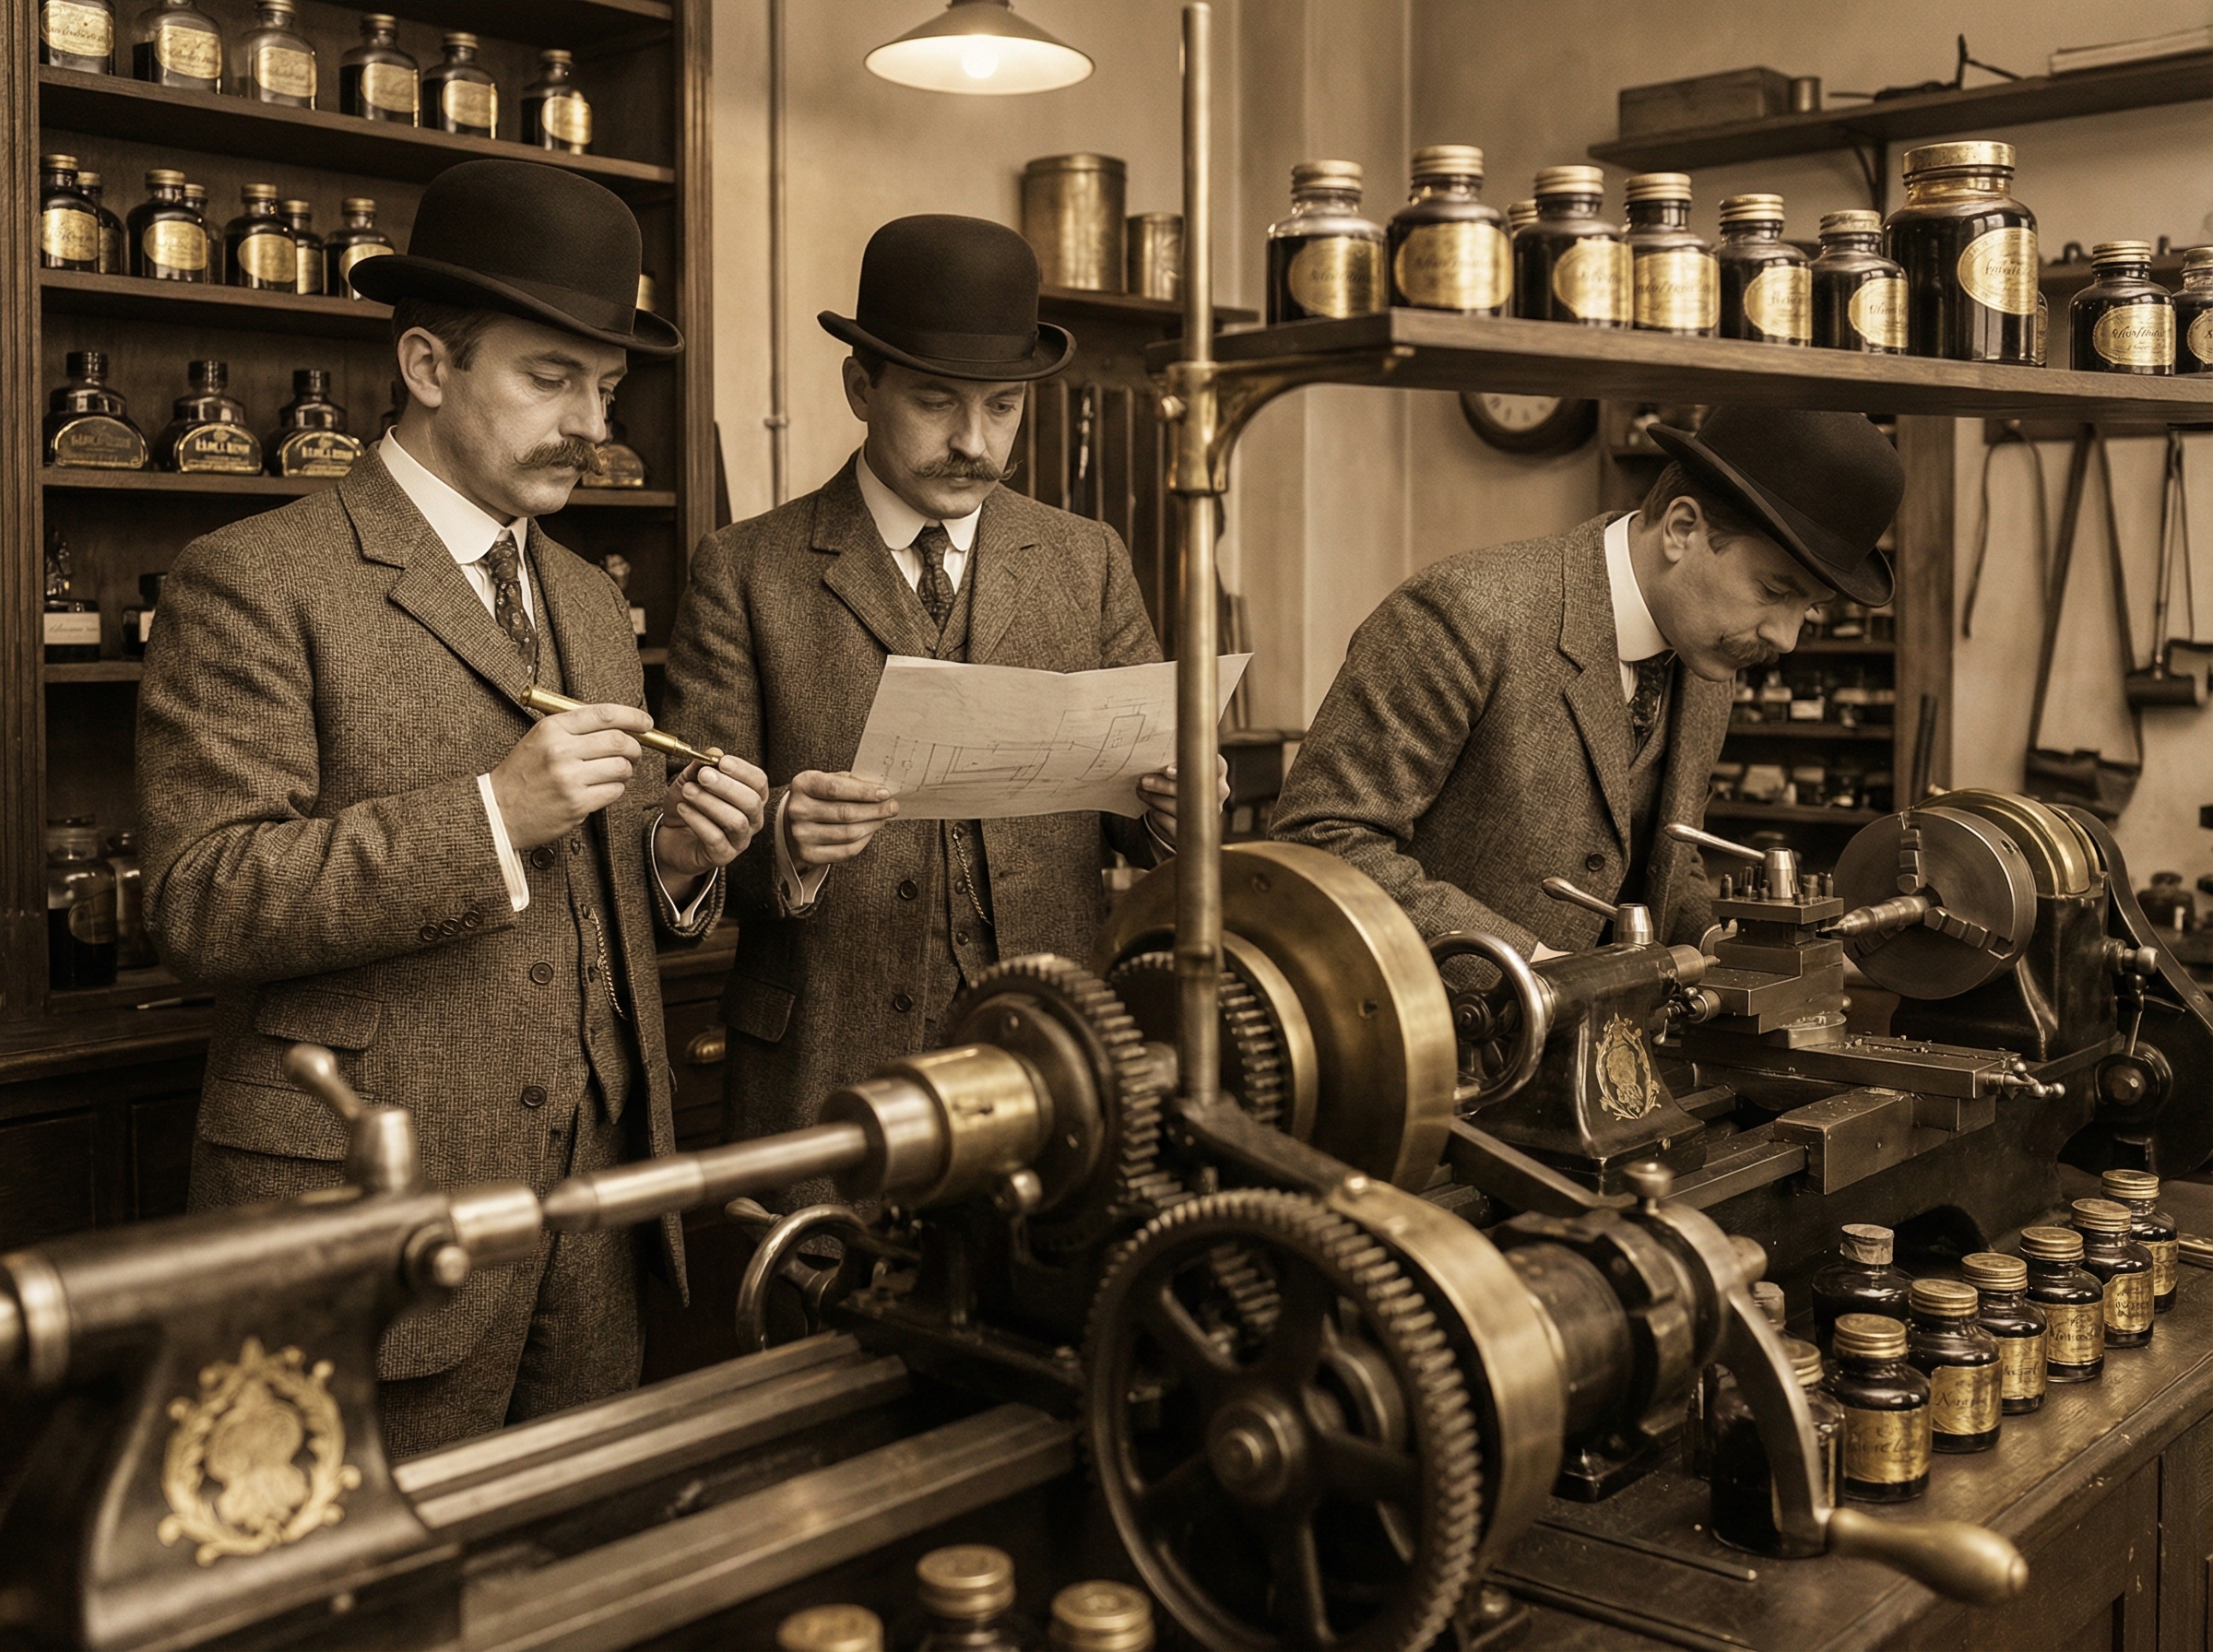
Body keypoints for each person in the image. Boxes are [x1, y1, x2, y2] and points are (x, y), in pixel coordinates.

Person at [137, 159, 769, 1457]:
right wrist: (488, 815)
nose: (592, 420)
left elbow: (591, 909)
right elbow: (202, 900)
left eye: (607, 385)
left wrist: (675, 858)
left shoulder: (592, 599)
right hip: (376, 1225)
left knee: (579, 1570)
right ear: (427, 364)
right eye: (551, 377)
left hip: (593, 1228)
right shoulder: (254, 580)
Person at [661, 214, 1220, 1194]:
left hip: (1051, 1064)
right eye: (935, 403)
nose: (973, 442)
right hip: (826, 1077)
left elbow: (1143, 818)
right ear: (860, 388)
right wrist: (784, 831)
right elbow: (686, 834)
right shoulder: (745, 570)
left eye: (1003, 408)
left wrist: (1179, 813)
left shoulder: (1086, 561)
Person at [1271, 406, 1903, 959]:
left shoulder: (1706, 659)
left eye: (1809, 610)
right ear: (1683, 529)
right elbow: (1323, 843)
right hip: (1431, 1047)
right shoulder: (1466, 613)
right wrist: (1530, 965)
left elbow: (1663, 853)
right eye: (1774, 592)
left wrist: (1719, 947)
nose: (1786, 638)